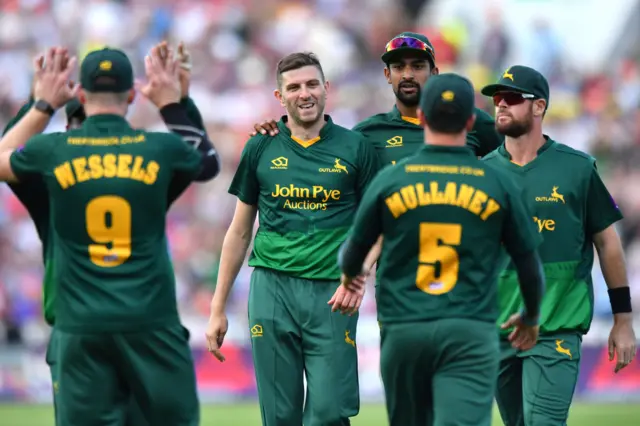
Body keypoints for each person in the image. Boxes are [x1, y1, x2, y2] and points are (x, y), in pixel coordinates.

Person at [0, 42, 216, 426]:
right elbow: (205, 160)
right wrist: (176, 102)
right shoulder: (154, 153)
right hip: (148, 321)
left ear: (80, 97)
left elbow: (8, 152)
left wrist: (40, 103)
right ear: (131, 96)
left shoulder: (51, 156)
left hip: (80, 328)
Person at [337, 72, 545, 426]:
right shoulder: (498, 182)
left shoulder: (391, 179)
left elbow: (352, 254)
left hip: (404, 330)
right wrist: (530, 317)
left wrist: (350, 274)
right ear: (470, 121)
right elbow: (529, 266)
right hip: (469, 329)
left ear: (421, 117)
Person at [249, 32, 504, 297]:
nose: (407, 74)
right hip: (398, 279)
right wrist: (278, 131)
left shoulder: (469, 122)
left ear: (435, 72)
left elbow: (518, 158)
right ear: (386, 75)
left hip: (467, 274)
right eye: (398, 67)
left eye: (417, 66)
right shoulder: (367, 134)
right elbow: (322, 163)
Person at [205, 51, 380, 426]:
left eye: (312, 84)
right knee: (279, 417)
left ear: (326, 89)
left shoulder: (356, 148)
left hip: (333, 294)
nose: (305, 93)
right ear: (279, 97)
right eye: (294, 87)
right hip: (271, 289)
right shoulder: (261, 146)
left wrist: (360, 272)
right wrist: (218, 307)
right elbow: (239, 230)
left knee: (330, 413)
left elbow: (378, 223)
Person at [480, 65, 637, 426]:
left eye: (512, 98)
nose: (501, 105)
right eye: (497, 99)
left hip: (556, 327)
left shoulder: (578, 169)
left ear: (539, 107)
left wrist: (623, 320)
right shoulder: (481, 172)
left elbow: (609, 245)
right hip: (498, 331)